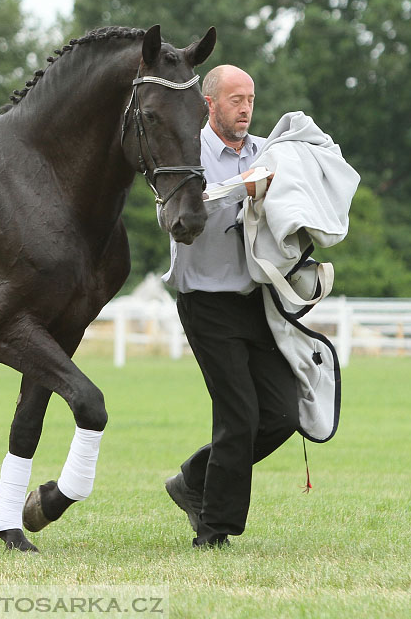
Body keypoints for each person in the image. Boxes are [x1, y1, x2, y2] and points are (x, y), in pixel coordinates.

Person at [162, 64, 298, 548]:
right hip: (206, 305)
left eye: (251, 99)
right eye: (236, 100)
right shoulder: (184, 152)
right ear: (210, 104)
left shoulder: (268, 153)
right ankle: (215, 531)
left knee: (285, 413)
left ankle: (193, 480)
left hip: (257, 303)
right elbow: (175, 210)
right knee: (239, 417)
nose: (245, 108)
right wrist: (240, 189)